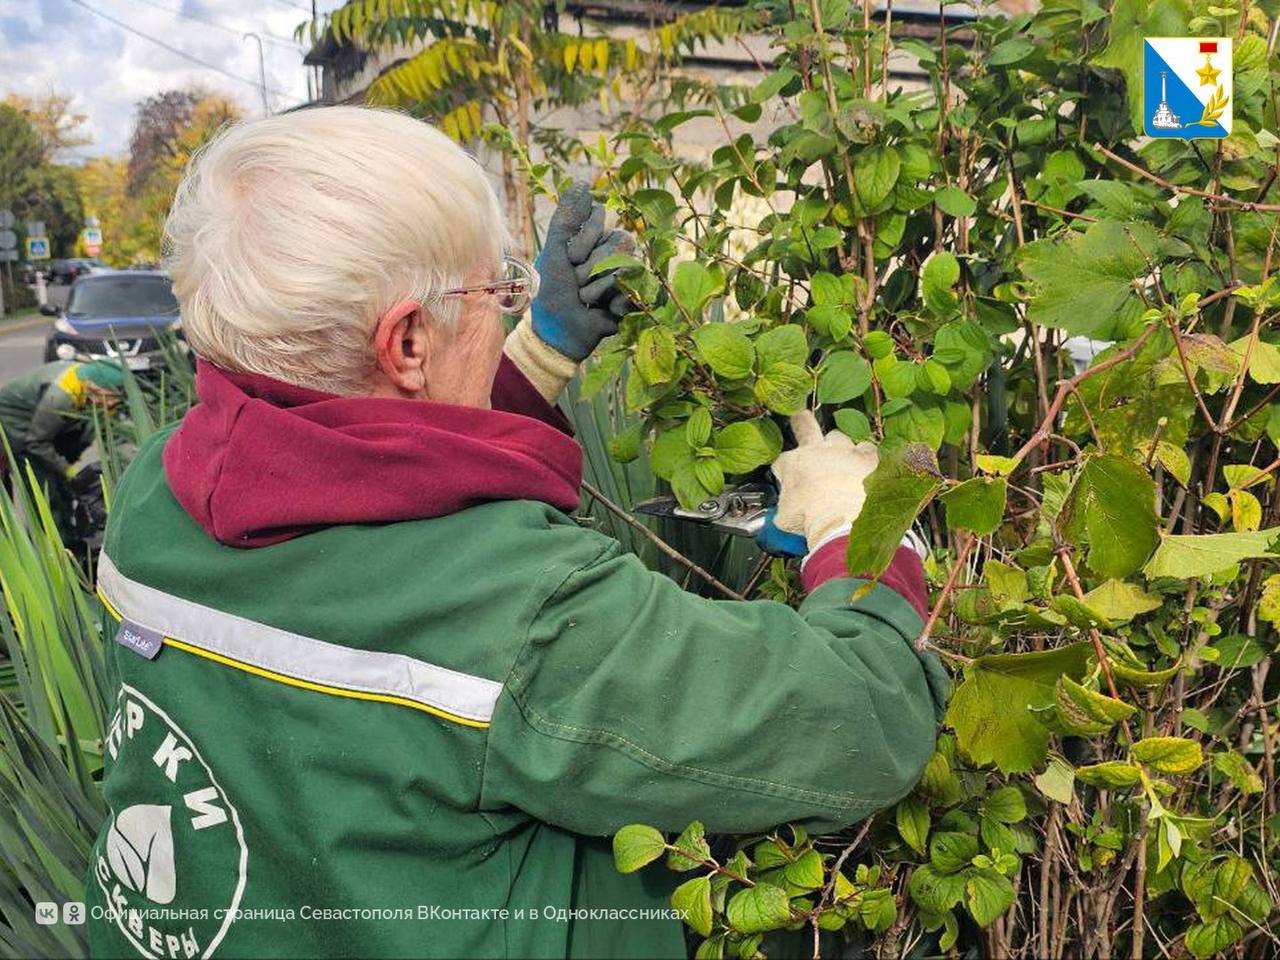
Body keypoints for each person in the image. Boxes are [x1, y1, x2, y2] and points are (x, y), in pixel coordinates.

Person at [87, 106, 947, 960]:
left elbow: (354, 461)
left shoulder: (161, 489)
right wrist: (860, 524)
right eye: (495, 291)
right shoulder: (517, 609)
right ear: (410, 340)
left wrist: (535, 356)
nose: (506, 309)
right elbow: (865, 719)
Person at [0, 359, 123, 530]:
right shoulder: (60, 397)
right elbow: (36, 442)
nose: (111, 403)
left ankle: (67, 539)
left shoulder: (87, 383)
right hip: (16, 426)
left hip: (41, 427)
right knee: (45, 492)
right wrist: (67, 470)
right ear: (91, 387)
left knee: (63, 488)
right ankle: (49, 544)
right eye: (108, 396)